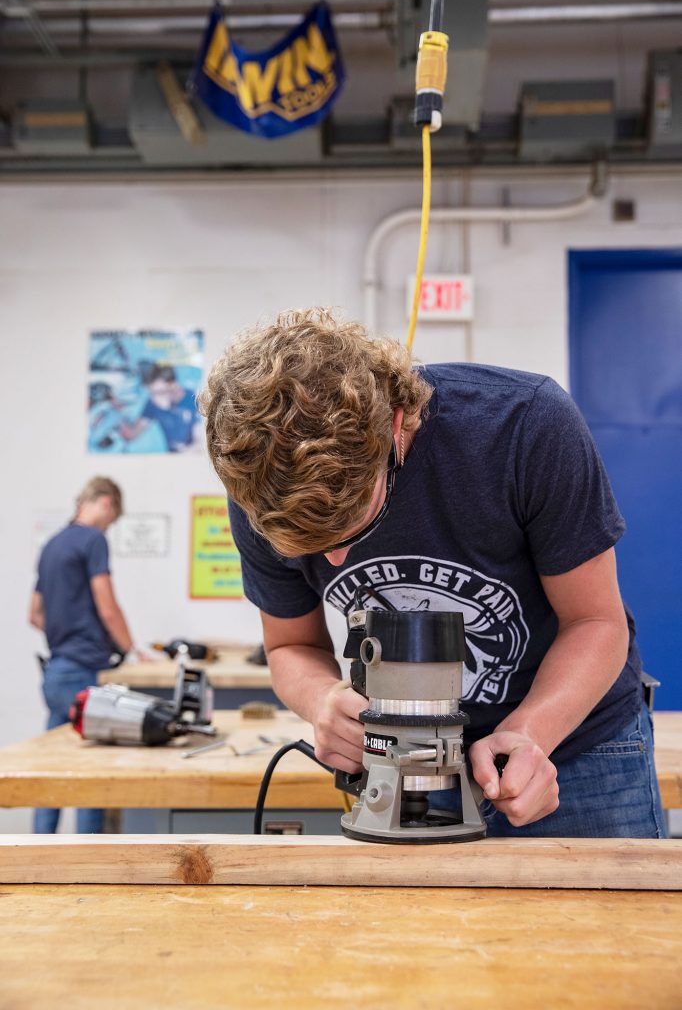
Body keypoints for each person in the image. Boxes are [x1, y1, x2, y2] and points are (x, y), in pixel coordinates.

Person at [200, 307, 667, 839]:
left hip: (576, 751)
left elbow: (595, 623)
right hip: (401, 766)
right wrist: (321, 701)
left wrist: (531, 732)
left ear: (395, 428)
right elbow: (289, 647)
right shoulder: (262, 488)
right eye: (306, 544)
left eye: (351, 528)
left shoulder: (523, 427)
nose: (333, 562)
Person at [28, 477, 147, 834]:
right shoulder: (93, 540)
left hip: (55, 671)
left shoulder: (51, 545)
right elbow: (107, 605)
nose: (108, 527)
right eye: (112, 520)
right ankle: (89, 856)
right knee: (90, 771)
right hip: (82, 672)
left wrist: (65, 630)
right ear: (106, 503)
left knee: (50, 771)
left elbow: (34, 614)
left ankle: (38, 851)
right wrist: (132, 650)